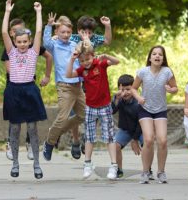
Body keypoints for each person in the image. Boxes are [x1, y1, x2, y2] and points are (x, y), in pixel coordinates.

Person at [1, 0, 46, 179]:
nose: (22, 44)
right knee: (14, 128)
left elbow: (39, 31)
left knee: (32, 129)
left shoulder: (33, 52)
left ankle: (36, 163)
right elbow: (4, 31)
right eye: (19, 42)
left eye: (25, 41)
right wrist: (7, 12)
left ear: (29, 41)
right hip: (13, 91)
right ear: (15, 41)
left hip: (30, 90)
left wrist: (38, 12)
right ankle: (15, 164)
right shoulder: (11, 52)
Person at [66, 42, 121, 180]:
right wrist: (72, 60)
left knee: (109, 136)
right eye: (82, 60)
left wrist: (106, 56)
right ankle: (87, 164)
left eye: (88, 59)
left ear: (93, 56)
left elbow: (117, 61)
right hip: (90, 107)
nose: (85, 62)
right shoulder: (81, 70)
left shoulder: (100, 64)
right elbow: (68, 74)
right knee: (90, 137)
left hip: (104, 106)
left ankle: (114, 165)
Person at [131, 45, 178, 184]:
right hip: (145, 109)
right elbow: (133, 88)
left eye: (160, 54)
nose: (157, 56)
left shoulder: (167, 72)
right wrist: (138, 98)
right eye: (154, 54)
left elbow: (175, 88)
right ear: (150, 57)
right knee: (149, 139)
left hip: (160, 110)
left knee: (162, 140)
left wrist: (171, 90)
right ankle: (145, 172)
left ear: (163, 58)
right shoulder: (143, 72)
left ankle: (161, 172)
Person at [42, 14, 83, 160]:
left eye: (68, 32)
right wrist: (49, 25)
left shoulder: (74, 45)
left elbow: (83, 58)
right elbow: (46, 42)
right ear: (56, 33)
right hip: (64, 87)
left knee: (83, 115)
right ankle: (50, 142)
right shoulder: (54, 45)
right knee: (62, 117)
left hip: (78, 86)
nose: (65, 35)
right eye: (62, 32)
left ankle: (55, 132)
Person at [111, 74, 143, 178]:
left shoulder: (139, 101)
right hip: (125, 130)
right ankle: (118, 170)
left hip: (140, 130)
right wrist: (116, 98)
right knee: (115, 145)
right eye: (122, 89)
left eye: (128, 89)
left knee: (148, 142)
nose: (125, 93)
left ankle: (148, 169)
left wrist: (135, 140)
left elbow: (140, 123)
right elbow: (112, 111)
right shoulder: (119, 99)